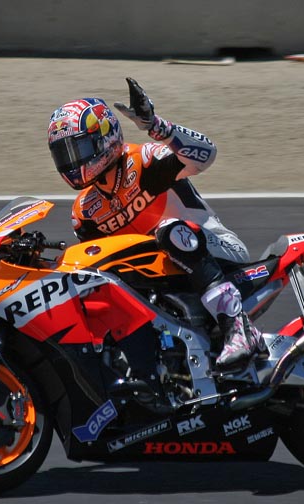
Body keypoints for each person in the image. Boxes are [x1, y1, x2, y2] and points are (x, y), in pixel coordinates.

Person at [47, 78, 264, 370]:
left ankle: (239, 327)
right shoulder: (85, 211)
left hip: (216, 251)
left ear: (104, 137)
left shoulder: (144, 159)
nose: (71, 163)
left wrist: (157, 127)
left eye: (77, 149)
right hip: (165, 278)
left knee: (168, 231)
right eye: (64, 154)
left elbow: (207, 154)